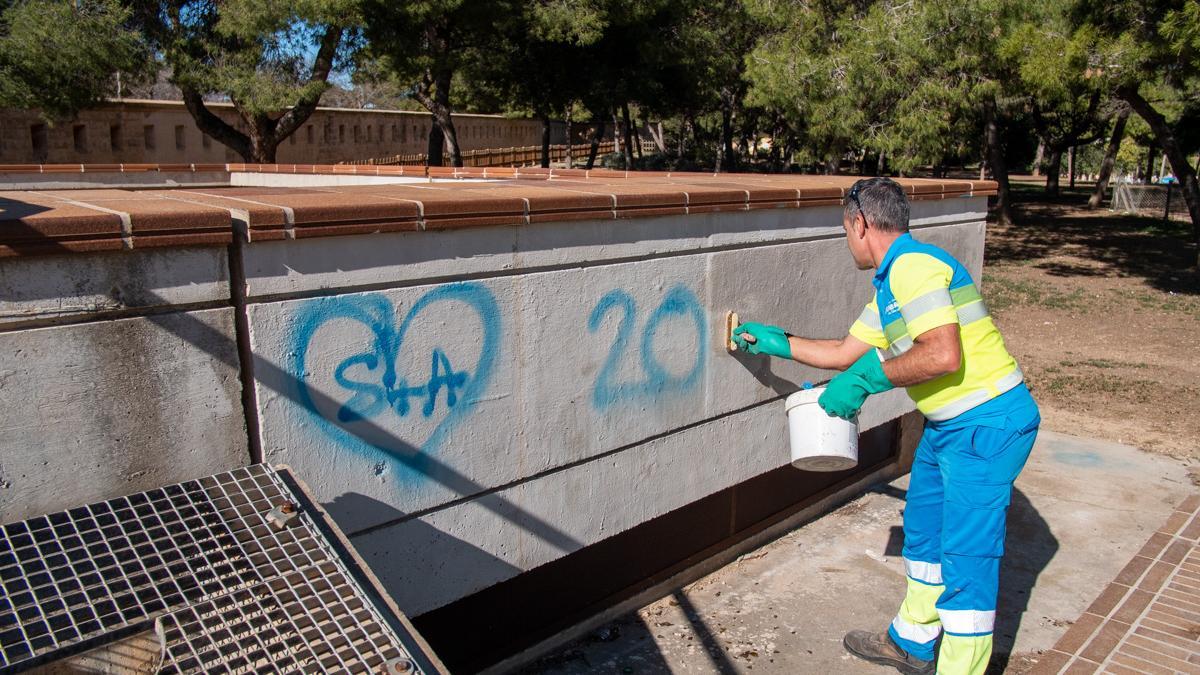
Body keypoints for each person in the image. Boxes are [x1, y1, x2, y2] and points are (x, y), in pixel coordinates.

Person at [732, 177, 1040, 675]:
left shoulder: (915, 270)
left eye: (844, 230)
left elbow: (941, 354)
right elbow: (841, 353)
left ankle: (961, 669)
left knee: (967, 559)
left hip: (987, 424)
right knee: (922, 534)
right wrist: (777, 341)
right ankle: (912, 643)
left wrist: (868, 380)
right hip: (949, 427)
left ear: (860, 223)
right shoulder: (891, 284)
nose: (846, 240)